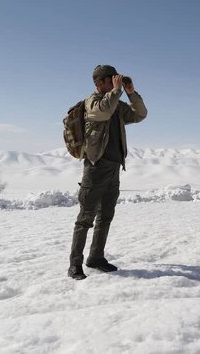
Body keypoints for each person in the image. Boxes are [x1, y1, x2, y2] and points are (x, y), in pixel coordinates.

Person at [68, 64, 148, 280]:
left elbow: (140, 114)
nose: (116, 82)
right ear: (99, 82)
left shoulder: (117, 104)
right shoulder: (92, 102)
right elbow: (102, 112)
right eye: (111, 79)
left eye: (117, 79)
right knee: (86, 218)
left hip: (113, 168)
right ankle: (74, 264)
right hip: (95, 169)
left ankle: (96, 257)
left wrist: (131, 93)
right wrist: (115, 91)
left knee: (106, 217)